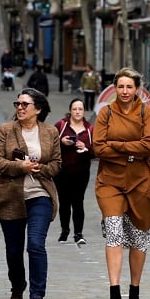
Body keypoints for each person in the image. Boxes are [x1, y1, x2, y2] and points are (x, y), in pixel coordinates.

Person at [0, 88, 61, 299]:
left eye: (24, 104)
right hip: (11, 196)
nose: (19, 108)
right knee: (13, 250)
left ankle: (37, 295)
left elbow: (57, 164)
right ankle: (17, 286)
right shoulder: (6, 130)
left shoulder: (50, 132)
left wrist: (41, 169)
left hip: (40, 194)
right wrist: (20, 166)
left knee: (36, 245)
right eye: (17, 104)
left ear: (37, 109)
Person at [92, 67, 150, 299]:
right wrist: (131, 149)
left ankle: (135, 290)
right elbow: (98, 147)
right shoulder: (106, 113)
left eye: (129, 87)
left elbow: (148, 145)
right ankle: (114, 291)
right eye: (120, 86)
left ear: (137, 88)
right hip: (110, 181)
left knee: (140, 238)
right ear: (114, 88)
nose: (125, 91)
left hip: (140, 181)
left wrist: (116, 146)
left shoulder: (145, 112)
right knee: (114, 232)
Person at [53, 98, 93, 245]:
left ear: (84, 111)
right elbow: (49, 144)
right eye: (75, 109)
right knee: (64, 202)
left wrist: (85, 148)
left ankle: (78, 233)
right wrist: (61, 142)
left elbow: (96, 151)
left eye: (80, 109)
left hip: (81, 172)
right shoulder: (61, 125)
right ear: (70, 111)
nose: (77, 112)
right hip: (62, 171)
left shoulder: (90, 129)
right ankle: (64, 231)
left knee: (78, 202)